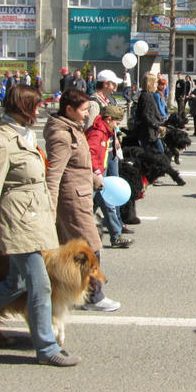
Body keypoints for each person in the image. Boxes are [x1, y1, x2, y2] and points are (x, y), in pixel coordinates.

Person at [0, 85, 80, 366]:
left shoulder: (23, 134)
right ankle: (46, 349)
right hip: (18, 223)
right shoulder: (1, 142)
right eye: (35, 105)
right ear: (22, 107)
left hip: (34, 219)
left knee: (15, 283)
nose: (39, 110)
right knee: (40, 285)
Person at [45, 88, 120, 310]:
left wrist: (95, 179)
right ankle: (93, 297)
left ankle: (70, 292)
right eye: (84, 110)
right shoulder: (62, 135)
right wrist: (50, 209)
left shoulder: (73, 128)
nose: (87, 114)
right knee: (91, 249)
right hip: (72, 200)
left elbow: (80, 163)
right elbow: (54, 175)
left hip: (81, 194)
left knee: (76, 250)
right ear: (69, 109)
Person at [84, 69, 131, 236]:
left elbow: (113, 125)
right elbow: (92, 130)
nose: (115, 86)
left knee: (112, 188)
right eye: (112, 83)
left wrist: (116, 136)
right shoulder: (94, 102)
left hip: (111, 150)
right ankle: (111, 228)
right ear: (105, 84)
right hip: (101, 152)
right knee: (104, 189)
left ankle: (115, 222)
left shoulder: (108, 99)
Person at [87, 104, 134, 248]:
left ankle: (114, 235)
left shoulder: (104, 130)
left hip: (100, 171)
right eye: (116, 123)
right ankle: (113, 235)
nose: (117, 127)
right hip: (95, 174)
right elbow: (91, 154)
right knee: (101, 204)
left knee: (102, 204)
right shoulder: (97, 133)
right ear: (108, 119)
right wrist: (97, 173)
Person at [134, 73, 164, 153]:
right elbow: (146, 115)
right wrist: (156, 126)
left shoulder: (148, 95)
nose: (156, 85)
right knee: (158, 154)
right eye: (155, 83)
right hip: (148, 132)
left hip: (151, 132)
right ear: (150, 83)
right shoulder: (146, 96)